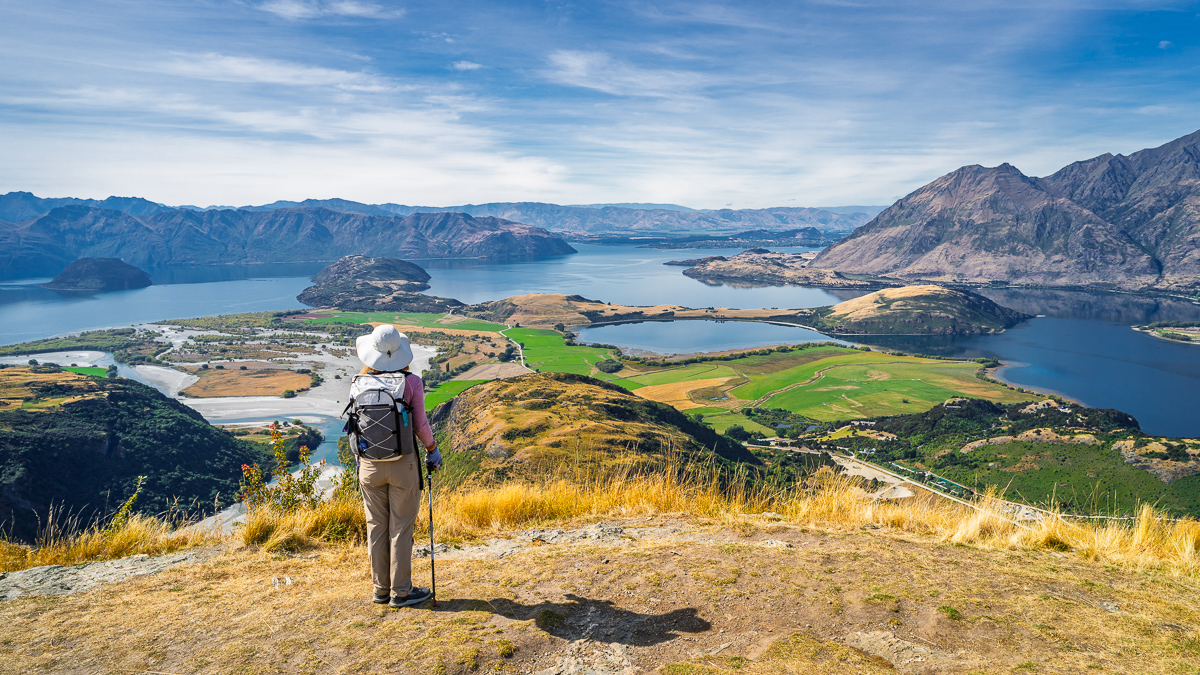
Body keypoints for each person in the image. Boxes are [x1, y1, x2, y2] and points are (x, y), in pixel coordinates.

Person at [350, 324, 442, 608]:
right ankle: (401, 592)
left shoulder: (358, 382)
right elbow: (420, 425)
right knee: (401, 527)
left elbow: (354, 427)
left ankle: (380, 589)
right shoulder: (411, 382)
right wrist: (432, 450)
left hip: (369, 466)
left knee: (376, 526)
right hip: (403, 465)